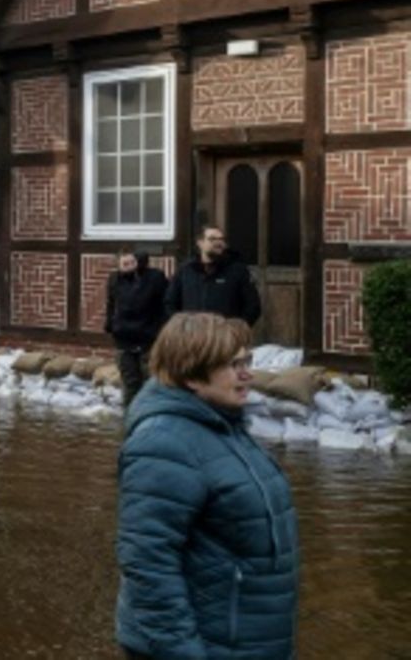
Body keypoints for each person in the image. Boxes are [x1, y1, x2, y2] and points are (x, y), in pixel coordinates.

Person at [116, 313, 299, 659]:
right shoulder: (162, 443)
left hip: (250, 641)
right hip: (208, 646)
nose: (247, 374)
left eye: (247, 361)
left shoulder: (225, 426)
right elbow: (147, 565)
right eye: (233, 365)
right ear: (192, 377)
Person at [105, 250, 169, 405]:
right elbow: (111, 304)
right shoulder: (114, 280)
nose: (129, 267)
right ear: (118, 266)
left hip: (148, 338)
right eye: (124, 264)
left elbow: (165, 303)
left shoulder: (153, 278)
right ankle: (131, 415)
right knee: (130, 382)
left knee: (151, 381)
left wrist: (161, 329)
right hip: (124, 339)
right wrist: (110, 324)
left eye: (132, 263)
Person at [165, 225, 261, 327]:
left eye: (221, 239)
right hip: (192, 336)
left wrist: (237, 330)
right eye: (212, 239)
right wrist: (182, 327)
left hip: (225, 336)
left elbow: (253, 307)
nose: (218, 243)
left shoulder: (237, 271)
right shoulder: (186, 270)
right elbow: (170, 303)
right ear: (200, 243)